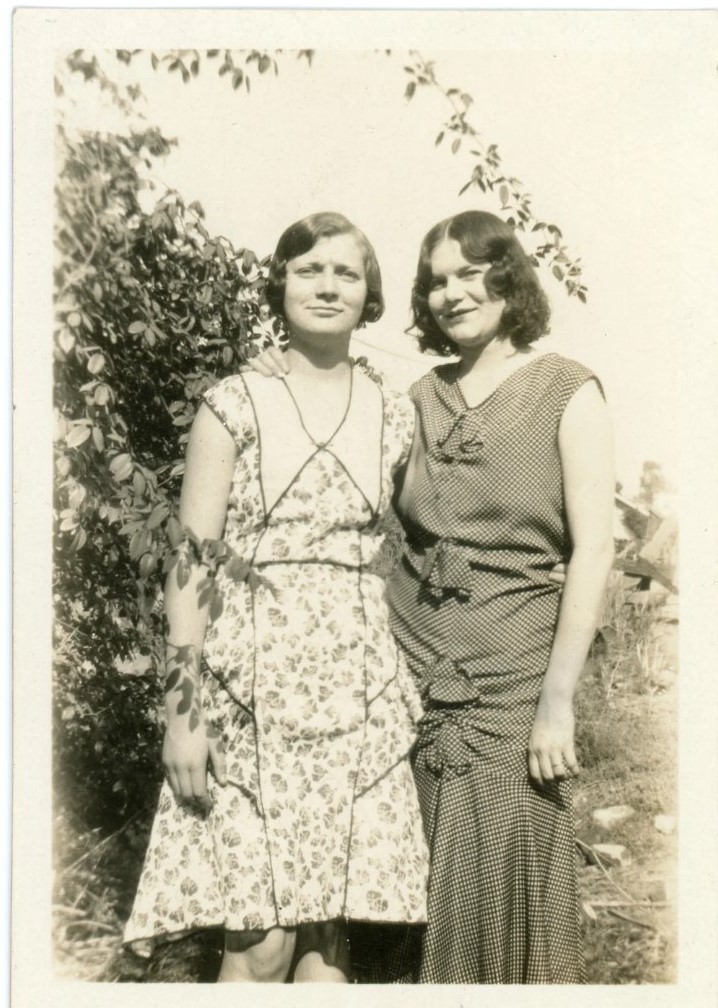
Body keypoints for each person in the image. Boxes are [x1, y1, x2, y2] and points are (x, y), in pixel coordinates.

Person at [251, 209, 615, 983]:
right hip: (406, 688)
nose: (451, 294)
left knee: (503, 891)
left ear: (508, 278)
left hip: (513, 683)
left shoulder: (567, 390)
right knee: (394, 900)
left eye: (469, 274)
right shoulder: (415, 397)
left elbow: (593, 551)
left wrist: (558, 701)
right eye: (435, 281)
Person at [123, 212, 429, 983]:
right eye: (308, 269)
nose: (327, 285)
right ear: (280, 283)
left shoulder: (397, 411)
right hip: (251, 689)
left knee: (330, 945)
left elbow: (438, 530)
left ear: (370, 295)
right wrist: (182, 718)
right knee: (257, 945)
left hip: (357, 689)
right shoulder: (233, 403)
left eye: (346, 273)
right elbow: (191, 567)